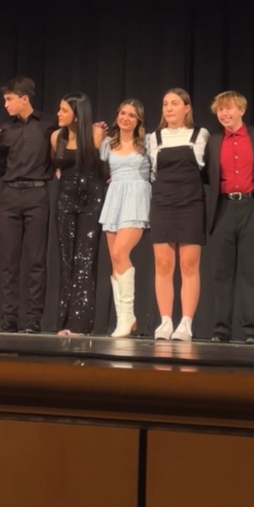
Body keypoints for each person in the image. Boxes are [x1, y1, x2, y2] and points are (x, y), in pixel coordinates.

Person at [203, 91, 254, 344]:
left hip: (252, 206)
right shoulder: (214, 141)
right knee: (221, 273)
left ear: (241, 109)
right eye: (221, 110)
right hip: (223, 208)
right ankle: (221, 329)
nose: (225, 113)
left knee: (251, 272)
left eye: (229, 108)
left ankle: (252, 331)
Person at [0, 76, 58, 334]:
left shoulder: (48, 125)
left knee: (36, 260)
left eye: (9, 99)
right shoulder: (5, 130)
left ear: (24, 98)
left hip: (36, 194)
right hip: (9, 194)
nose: (6, 104)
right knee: (8, 260)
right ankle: (9, 317)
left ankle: (33, 319)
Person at [147, 88, 208, 341]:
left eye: (174, 103)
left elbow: (205, 169)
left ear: (187, 108)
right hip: (163, 203)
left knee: (188, 265)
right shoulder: (154, 137)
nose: (169, 108)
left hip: (190, 203)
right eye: (165, 104)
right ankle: (165, 321)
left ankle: (186, 323)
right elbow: (151, 173)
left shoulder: (199, 134)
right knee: (162, 265)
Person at [51, 92, 106, 335]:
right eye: (59, 109)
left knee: (85, 260)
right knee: (66, 260)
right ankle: (63, 321)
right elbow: (56, 167)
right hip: (65, 201)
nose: (59, 114)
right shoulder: (56, 137)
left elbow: (103, 168)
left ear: (77, 114)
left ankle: (80, 324)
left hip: (90, 202)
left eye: (64, 110)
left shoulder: (95, 134)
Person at [99, 99, 150, 338]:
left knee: (121, 253)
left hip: (136, 198)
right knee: (114, 260)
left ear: (138, 120)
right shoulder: (108, 143)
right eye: (122, 113)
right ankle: (124, 320)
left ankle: (128, 315)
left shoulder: (147, 143)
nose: (126, 118)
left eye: (131, 115)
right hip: (114, 198)